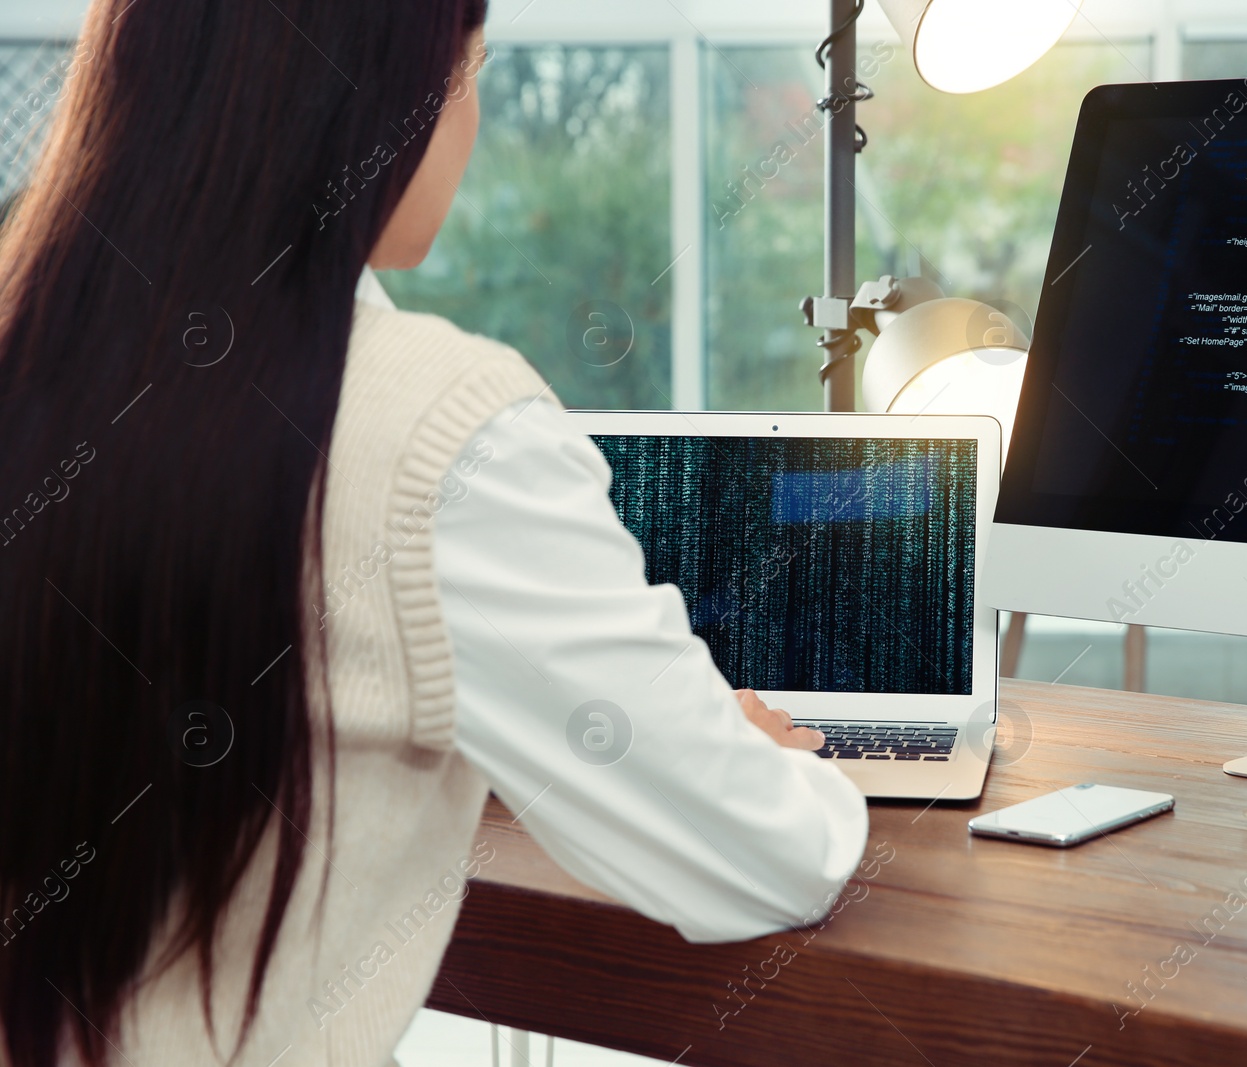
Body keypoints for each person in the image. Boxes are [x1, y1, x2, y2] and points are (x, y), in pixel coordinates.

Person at [0, 2, 867, 1066]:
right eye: (471, 75)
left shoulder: (37, 360)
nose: (472, 122)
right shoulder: (443, 428)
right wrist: (767, 766)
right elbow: (768, 859)